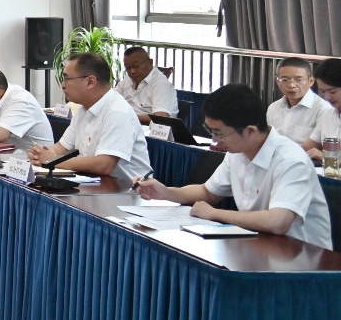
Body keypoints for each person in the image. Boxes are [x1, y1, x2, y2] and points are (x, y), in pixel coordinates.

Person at [137, 84, 331, 249]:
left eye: (219, 133)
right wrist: (166, 193)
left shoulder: (290, 160)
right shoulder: (238, 151)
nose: (214, 141)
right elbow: (208, 192)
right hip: (259, 246)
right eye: (211, 132)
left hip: (303, 258)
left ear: (250, 131)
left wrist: (214, 214)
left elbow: (278, 221)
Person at [27, 52, 151, 186]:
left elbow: (104, 164)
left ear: (90, 82)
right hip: (95, 186)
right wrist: (41, 153)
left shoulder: (117, 112)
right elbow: (62, 147)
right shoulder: (84, 109)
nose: (63, 85)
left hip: (127, 192)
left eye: (67, 79)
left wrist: (53, 160)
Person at [115, 46, 179, 123]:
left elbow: (160, 117)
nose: (132, 71)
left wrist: (128, 116)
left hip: (150, 128)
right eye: (128, 67)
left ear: (150, 62)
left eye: (136, 66)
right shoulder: (128, 79)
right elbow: (110, 100)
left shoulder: (161, 84)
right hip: (127, 123)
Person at [267, 57, 323, 143]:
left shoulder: (322, 109)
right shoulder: (273, 108)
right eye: (285, 80)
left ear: (311, 81)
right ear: (277, 81)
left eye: (299, 80)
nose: (291, 85)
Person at [301, 58, 341, 164]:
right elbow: (308, 147)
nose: (327, 97)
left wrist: (326, 157)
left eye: (332, 92)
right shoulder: (328, 114)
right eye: (322, 91)